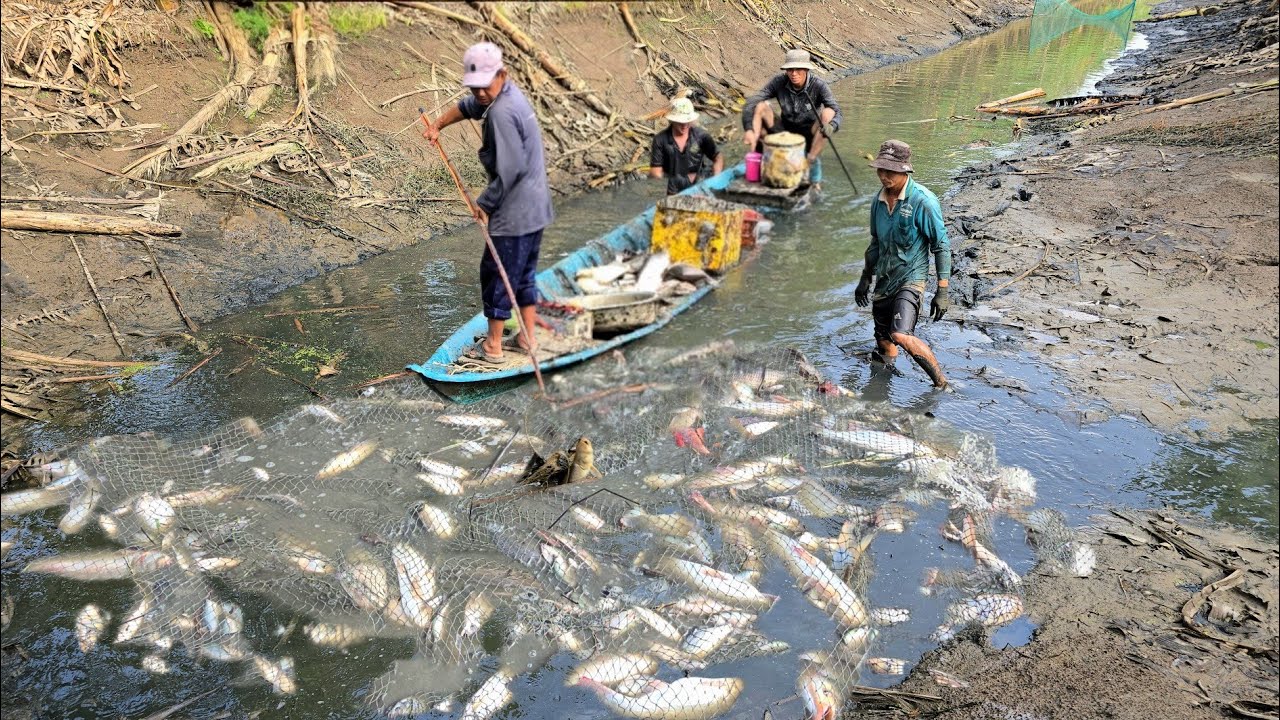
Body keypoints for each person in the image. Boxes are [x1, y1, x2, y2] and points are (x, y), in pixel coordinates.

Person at [422, 42, 554, 365]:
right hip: (537, 206)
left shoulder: (503, 114)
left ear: (502, 74)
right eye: (475, 86)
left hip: (516, 208)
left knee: (497, 271)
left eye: (485, 85)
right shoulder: (503, 94)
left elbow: (511, 172)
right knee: (523, 273)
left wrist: (485, 202)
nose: (480, 93)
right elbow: (470, 106)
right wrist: (438, 124)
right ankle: (527, 338)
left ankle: (493, 346)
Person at [854, 140, 951, 388]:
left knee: (900, 334)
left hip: (912, 278)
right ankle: (881, 391)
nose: (884, 176)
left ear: (905, 170)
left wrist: (942, 290)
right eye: (880, 170)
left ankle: (941, 384)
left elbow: (941, 246)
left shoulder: (923, 201)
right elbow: (875, 243)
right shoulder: (878, 202)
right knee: (885, 342)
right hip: (885, 278)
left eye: (891, 171)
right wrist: (865, 277)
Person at [740, 49, 842, 187]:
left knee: (828, 113)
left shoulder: (818, 85)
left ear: (806, 69)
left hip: (809, 132)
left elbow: (836, 110)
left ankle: (810, 161)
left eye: (798, 69)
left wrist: (833, 125)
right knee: (760, 106)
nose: (794, 73)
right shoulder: (779, 82)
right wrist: (748, 128)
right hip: (785, 130)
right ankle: (755, 153)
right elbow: (752, 101)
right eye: (790, 69)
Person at [650, 96, 723, 195]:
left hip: (701, 181)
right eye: (681, 122)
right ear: (673, 120)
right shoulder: (660, 140)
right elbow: (656, 171)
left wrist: (716, 178)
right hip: (675, 186)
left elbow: (718, 157)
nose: (684, 125)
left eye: (687, 121)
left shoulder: (702, 136)